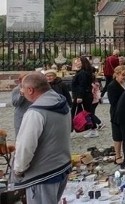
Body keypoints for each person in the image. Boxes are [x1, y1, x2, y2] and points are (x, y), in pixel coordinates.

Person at [12, 72, 71, 204]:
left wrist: (18, 170)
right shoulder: (61, 102)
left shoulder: (35, 112)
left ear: (30, 90)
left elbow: (26, 146)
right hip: (61, 166)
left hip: (42, 174)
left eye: (23, 90)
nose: (22, 93)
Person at [72, 56, 103, 137]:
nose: (76, 63)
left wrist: (79, 97)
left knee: (87, 113)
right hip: (84, 95)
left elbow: (82, 86)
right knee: (87, 113)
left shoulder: (83, 73)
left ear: (83, 63)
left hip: (84, 96)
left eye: (78, 61)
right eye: (76, 61)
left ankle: (93, 129)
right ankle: (92, 128)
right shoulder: (83, 72)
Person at [106, 65, 125, 165]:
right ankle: (118, 155)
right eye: (122, 75)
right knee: (118, 135)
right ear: (116, 74)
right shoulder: (112, 86)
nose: (124, 77)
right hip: (117, 113)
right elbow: (113, 102)